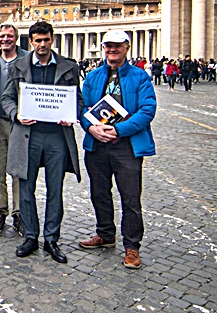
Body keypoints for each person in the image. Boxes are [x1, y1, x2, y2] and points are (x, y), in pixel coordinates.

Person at [1, 21, 82, 264]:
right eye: (38, 40)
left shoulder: (69, 67)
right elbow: (6, 98)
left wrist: (73, 114)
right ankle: (31, 236)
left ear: (52, 40)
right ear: (31, 42)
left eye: (46, 40)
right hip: (28, 135)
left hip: (57, 136)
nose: (42, 44)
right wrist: (16, 114)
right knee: (26, 188)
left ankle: (51, 238)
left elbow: (77, 98)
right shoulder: (18, 66)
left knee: (55, 189)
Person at [79, 30, 157, 269]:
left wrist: (119, 130)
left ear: (127, 47)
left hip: (127, 146)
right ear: (103, 48)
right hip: (97, 144)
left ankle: (132, 246)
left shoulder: (140, 77)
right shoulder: (92, 77)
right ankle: (105, 233)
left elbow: (147, 110)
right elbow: (82, 107)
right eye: (108, 46)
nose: (112, 50)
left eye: (117, 46)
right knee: (99, 192)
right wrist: (90, 128)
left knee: (130, 197)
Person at [0, 23, 27, 235]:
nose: (5, 39)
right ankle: (0, 210)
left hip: (20, 122)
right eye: (2, 36)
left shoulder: (28, 60)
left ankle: (19, 213)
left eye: (9, 36)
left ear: (16, 38)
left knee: (19, 170)